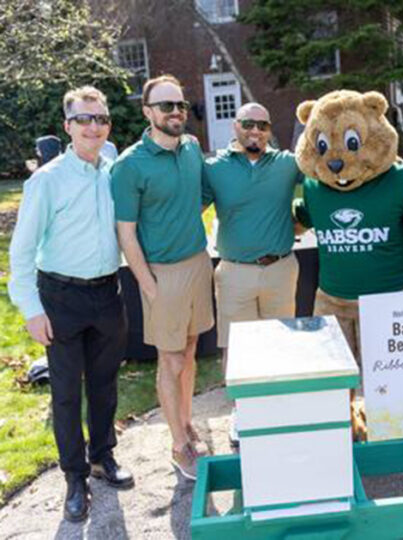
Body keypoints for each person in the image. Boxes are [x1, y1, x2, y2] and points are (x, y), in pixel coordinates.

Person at [8, 86, 133, 523]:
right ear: (68, 126)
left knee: (104, 385)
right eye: (84, 119)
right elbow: (21, 252)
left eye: (100, 119)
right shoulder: (46, 181)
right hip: (60, 298)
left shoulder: (113, 170)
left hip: (107, 293)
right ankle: (75, 479)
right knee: (65, 394)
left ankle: (103, 458)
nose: (93, 126)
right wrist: (31, 309)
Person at [111, 75, 214, 480]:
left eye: (180, 106)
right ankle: (177, 445)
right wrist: (149, 286)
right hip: (162, 275)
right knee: (169, 359)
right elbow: (126, 233)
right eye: (166, 106)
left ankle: (186, 422)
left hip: (198, 263)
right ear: (147, 112)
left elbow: (202, 195)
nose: (175, 112)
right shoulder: (129, 165)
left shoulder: (190, 149)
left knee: (189, 351)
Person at [202, 102, 303, 447]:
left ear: (270, 130)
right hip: (234, 272)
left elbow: (328, 177)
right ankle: (242, 412)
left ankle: (278, 409)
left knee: (280, 343)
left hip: (280, 268)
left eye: (262, 125)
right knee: (237, 346)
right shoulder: (213, 168)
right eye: (248, 124)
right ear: (235, 126)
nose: (255, 131)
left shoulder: (289, 164)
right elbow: (187, 207)